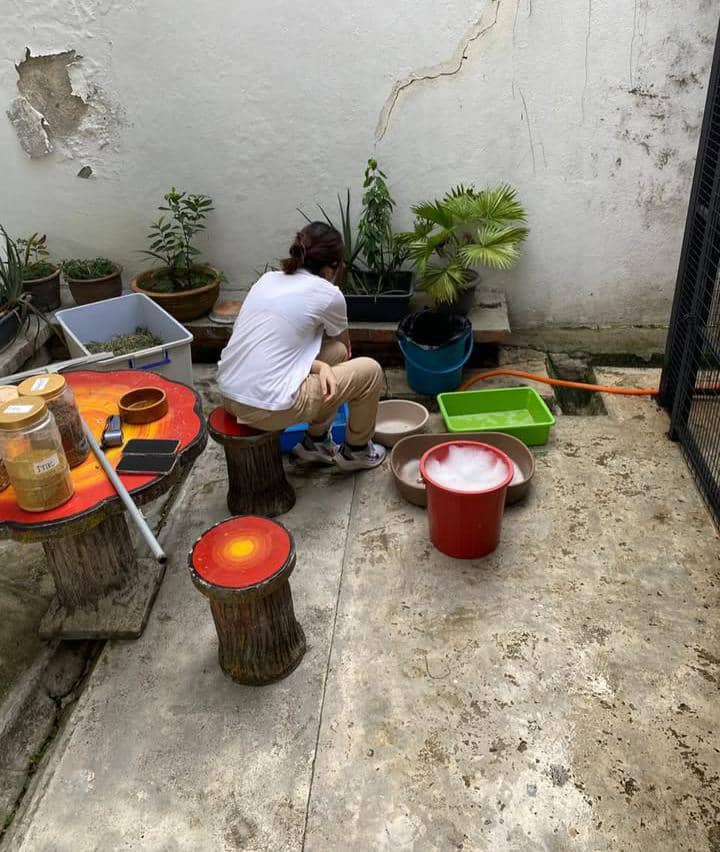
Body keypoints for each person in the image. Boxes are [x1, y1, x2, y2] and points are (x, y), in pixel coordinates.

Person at [217, 222, 385, 470]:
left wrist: (320, 367)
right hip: (265, 407)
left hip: (229, 394)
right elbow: (346, 346)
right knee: (370, 372)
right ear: (332, 266)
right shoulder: (328, 293)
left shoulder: (267, 279)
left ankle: (315, 443)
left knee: (335, 354)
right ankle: (357, 452)